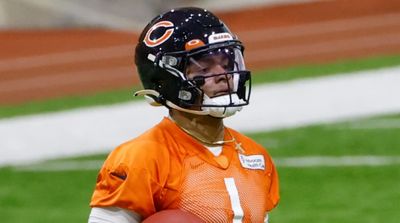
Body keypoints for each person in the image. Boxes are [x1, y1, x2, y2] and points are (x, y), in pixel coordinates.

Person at [88, 7, 279, 223]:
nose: (222, 76)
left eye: (226, 64)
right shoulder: (141, 158)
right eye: (204, 69)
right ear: (166, 80)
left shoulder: (256, 156)